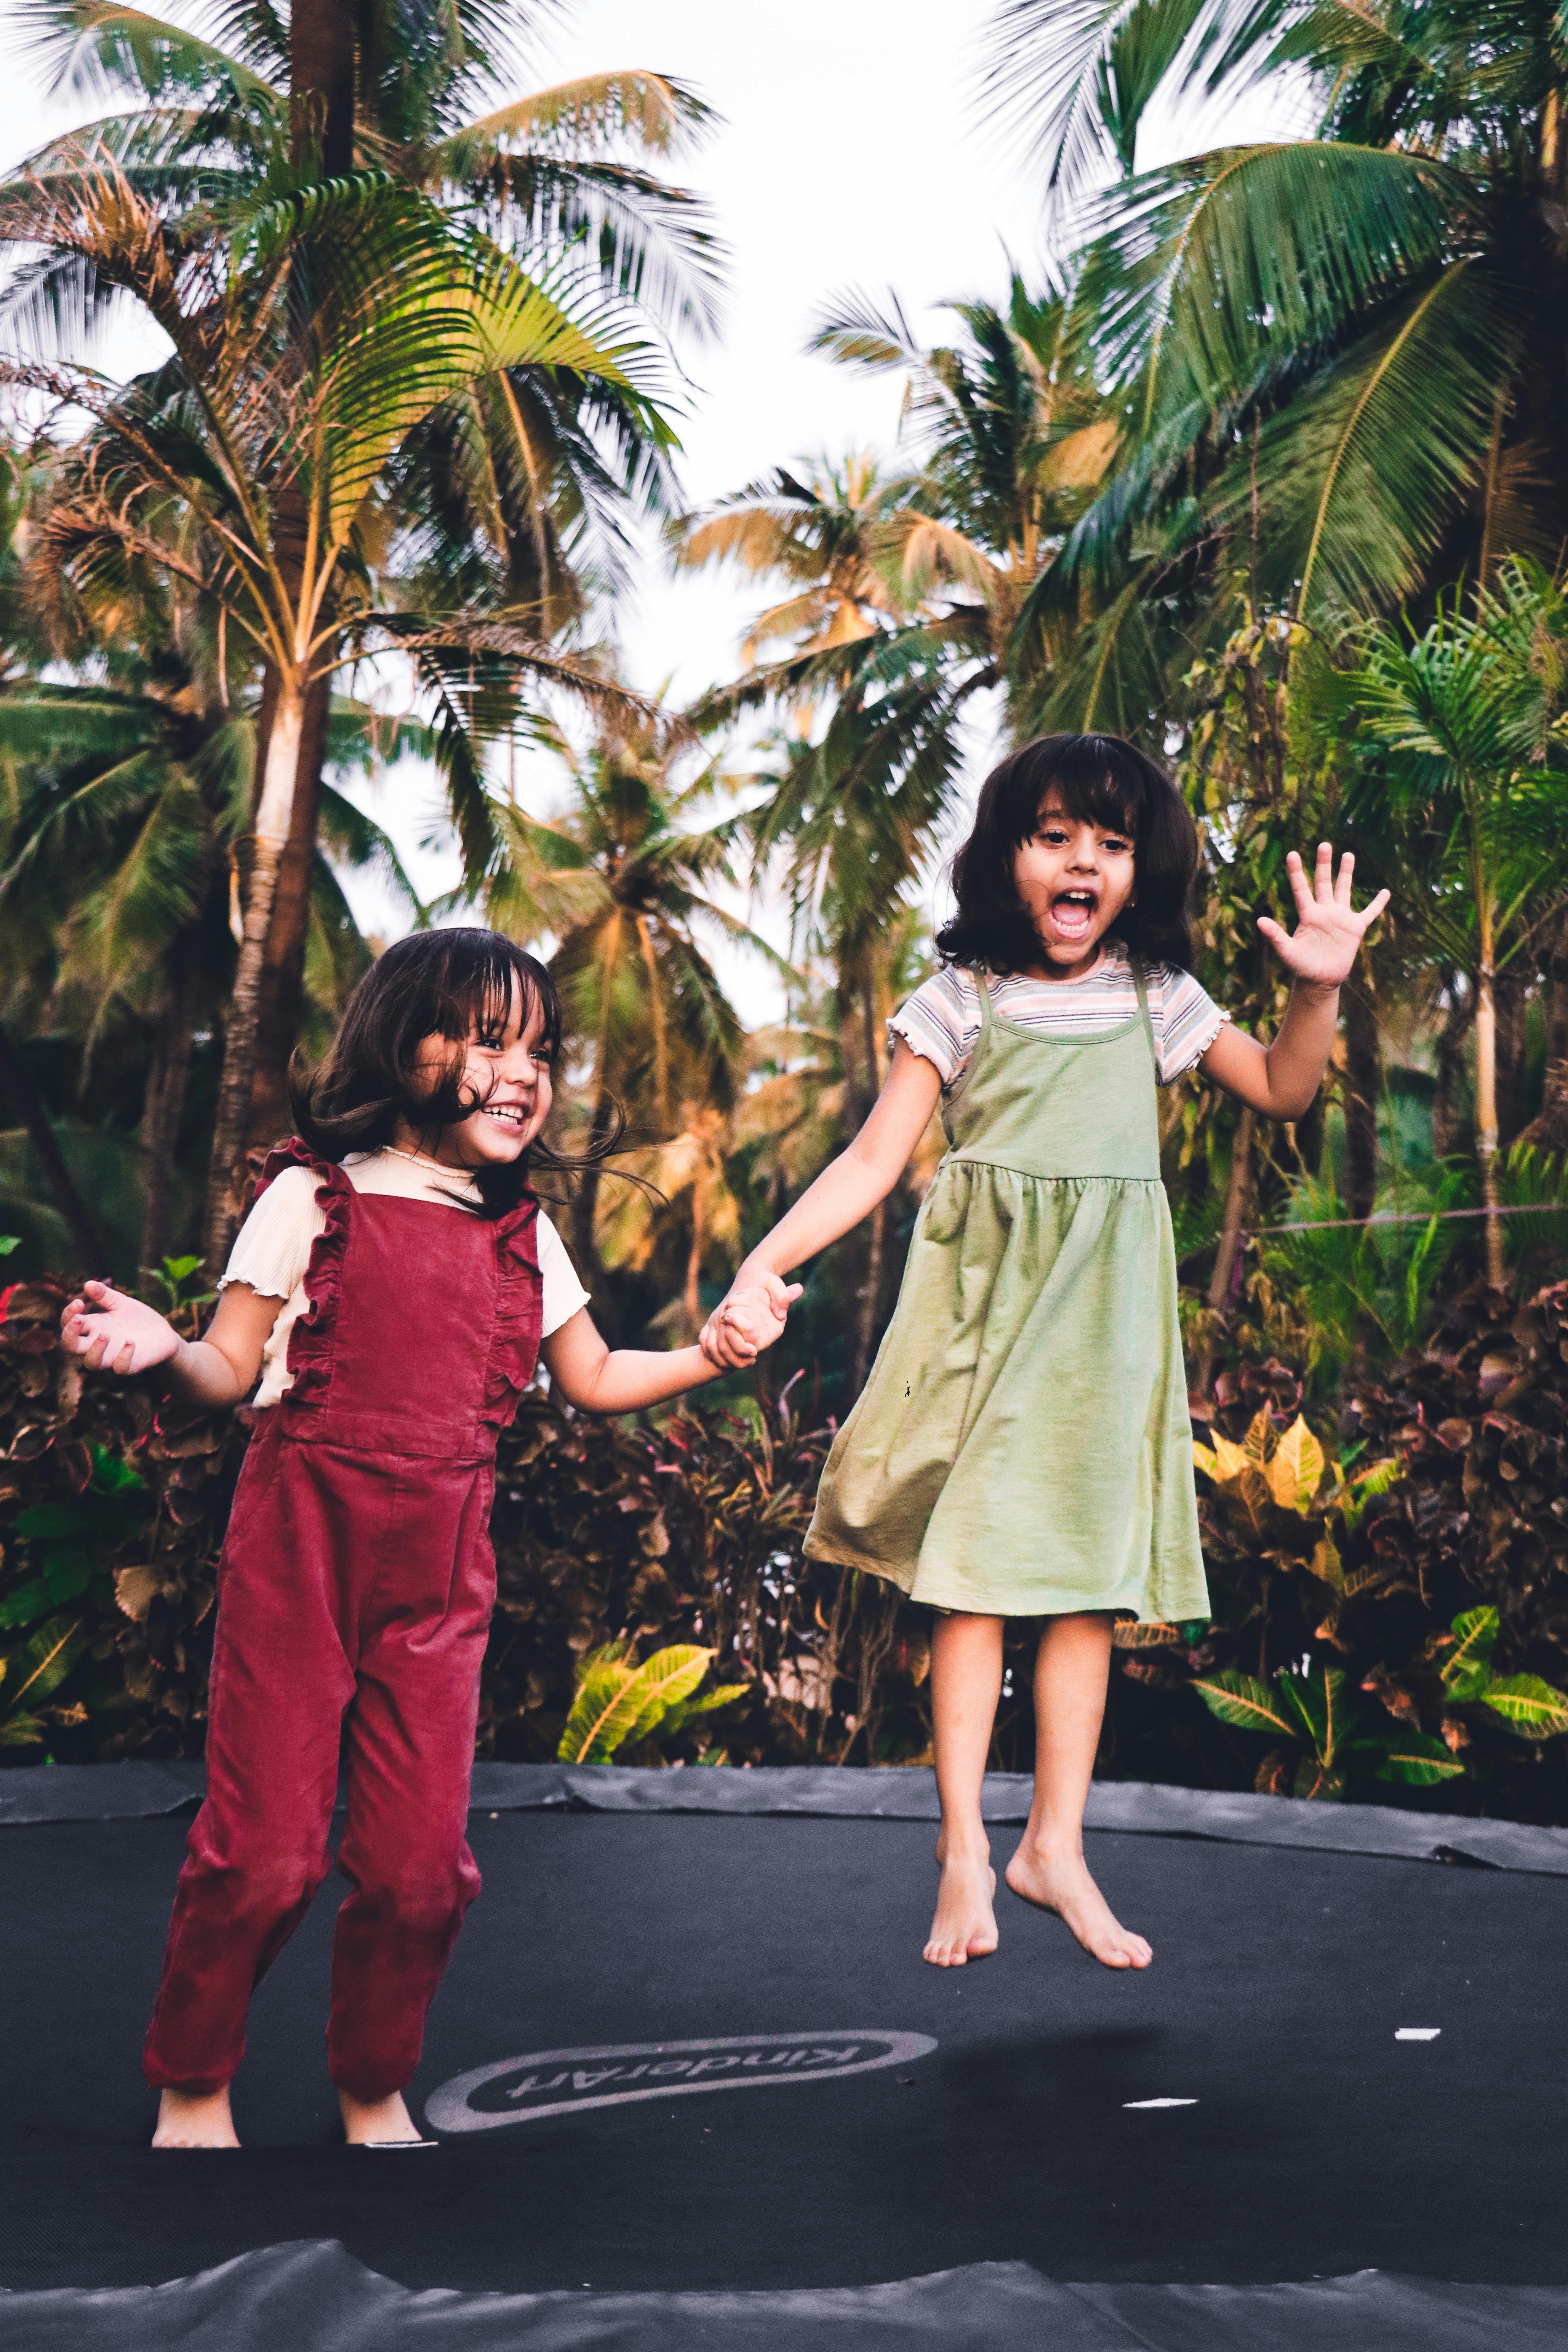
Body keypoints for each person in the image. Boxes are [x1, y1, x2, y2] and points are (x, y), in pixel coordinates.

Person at [62, 929, 791, 2150]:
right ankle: (194, 2081)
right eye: (490, 1040)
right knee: (265, 1855)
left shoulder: (523, 1234)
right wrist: (158, 1348)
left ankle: (373, 2084)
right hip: (303, 1547)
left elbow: (597, 1374)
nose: (526, 1072)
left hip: (442, 1573)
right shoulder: (311, 1197)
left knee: (420, 1871)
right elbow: (231, 1370)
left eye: (542, 1050)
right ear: (404, 1048)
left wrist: (707, 1354)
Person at [701, 734, 1387, 1975]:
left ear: (1143, 869)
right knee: (971, 1574)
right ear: (1005, 856)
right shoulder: (960, 997)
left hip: (1103, 1329)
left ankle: (1054, 1846)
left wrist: (1319, 985)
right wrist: (767, 1259)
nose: (1084, 862)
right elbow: (871, 1161)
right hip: (980, 1319)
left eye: (1113, 845)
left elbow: (1286, 1088)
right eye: (1056, 836)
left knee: (1083, 1585)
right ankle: (966, 1843)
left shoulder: (1155, 996)